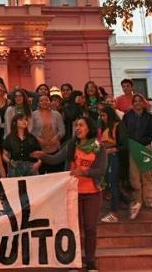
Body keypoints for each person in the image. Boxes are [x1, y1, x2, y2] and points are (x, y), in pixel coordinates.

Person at [32, 117, 107, 272]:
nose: (77, 128)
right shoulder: (72, 145)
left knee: (90, 228)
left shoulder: (99, 148)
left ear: (89, 128)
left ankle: (91, 262)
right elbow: (54, 159)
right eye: (76, 126)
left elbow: (100, 170)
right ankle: (76, 261)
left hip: (92, 193)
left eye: (81, 125)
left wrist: (84, 172)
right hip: (73, 192)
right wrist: (42, 155)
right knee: (75, 228)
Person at [121, 93, 152, 219]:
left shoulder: (149, 117)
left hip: (145, 148)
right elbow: (123, 132)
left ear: (143, 103)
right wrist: (125, 145)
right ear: (132, 103)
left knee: (147, 175)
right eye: (135, 101)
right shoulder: (127, 117)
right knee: (134, 176)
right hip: (133, 148)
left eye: (139, 101)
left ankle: (148, 201)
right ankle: (137, 201)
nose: (137, 103)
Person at [99, 106, 125, 223]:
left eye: (104, 115)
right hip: (107, 157)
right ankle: (129, 201)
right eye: (101, 115)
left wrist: (114, 149)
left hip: (114, 157)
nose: (102, 118)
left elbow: (124, 144)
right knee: (110, 182)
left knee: (113, 183)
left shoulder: (118, 126)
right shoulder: (105, 128)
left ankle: (114, 212)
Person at [31, 94, 65, 173]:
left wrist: (57, 137)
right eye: (41, 100)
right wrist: (38, 139)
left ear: (50, 102)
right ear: (38, 103)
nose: (44, 102)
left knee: (55, 173)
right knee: (42, 175)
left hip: (55, 148)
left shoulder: (56, 114)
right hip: (40, 149)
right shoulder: (33, 115)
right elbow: (30, 131)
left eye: (46, 100)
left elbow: (62, 130)